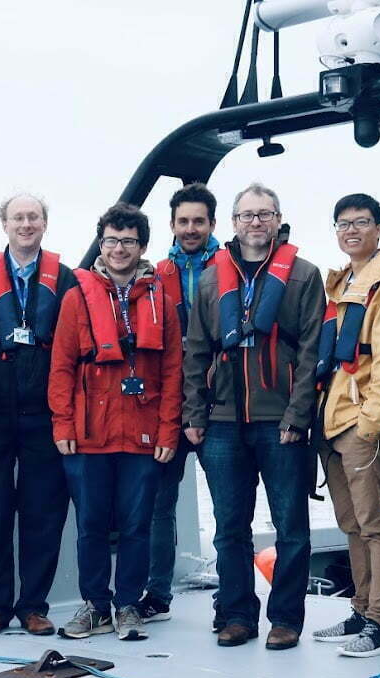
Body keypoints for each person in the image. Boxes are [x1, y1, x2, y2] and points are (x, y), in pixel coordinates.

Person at [182, 182, 325, 650]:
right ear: (234, 222)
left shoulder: (303, 276)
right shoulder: (210, 279)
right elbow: (196, 352)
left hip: (279, 420)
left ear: (279, 220)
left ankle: (285, 618)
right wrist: (194, 414)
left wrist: (297, 416)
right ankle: (238, 614)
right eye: (247, 215)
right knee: (229, 528)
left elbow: (310, 353)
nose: (256, 222)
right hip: (222, 422)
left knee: (291, 527)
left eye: (265, 214)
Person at [48, 202, 182, 641]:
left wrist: (168, 430)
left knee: (137, 524)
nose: (118, 249)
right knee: (90, 524)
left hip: (142, 433)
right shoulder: (75, 297)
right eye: (111, 240)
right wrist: (63, 424)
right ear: (100, 245)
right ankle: (95, 606)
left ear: (142, 246)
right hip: (89, 434)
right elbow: (62, 365)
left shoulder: (162, 298)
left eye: (128, 241)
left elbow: (173, 369)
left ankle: (128, 604)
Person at [0, 193, 77, 637]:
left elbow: (75, 350)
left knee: (43, 513)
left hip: (43, 415)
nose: (26, 224)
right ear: (4, 224)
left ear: (45, 223)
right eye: (18, 217)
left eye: (34, 217)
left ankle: (33, 606)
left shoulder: (65, 281)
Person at [311, 193, 380, 658]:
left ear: (379, 228)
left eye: (361, 222)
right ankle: (361, 608)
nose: (351, 230)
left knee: (376, 523)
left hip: (361, 421)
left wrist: (373, 422)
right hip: (333, 418)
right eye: (342, 224)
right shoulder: (344, 282)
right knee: (351, 522)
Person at [139, 182, 220, 623]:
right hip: (167, 406)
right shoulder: (154, 277)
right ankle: (156, 594)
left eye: (199, 221)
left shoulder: (231, 268)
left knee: (229, 509)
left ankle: (232, 603)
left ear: (212, 224)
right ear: (172, 225)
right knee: (158, 507)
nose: (191, 229)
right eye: (183, 221)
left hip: (220, 407)